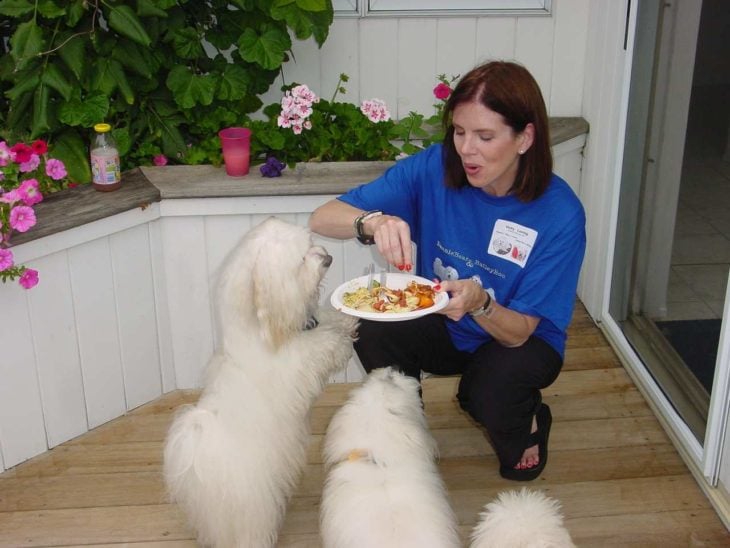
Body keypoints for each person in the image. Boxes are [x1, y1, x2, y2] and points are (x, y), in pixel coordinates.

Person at [309, 60, 586, 481]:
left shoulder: (560, 213)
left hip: (516, 336)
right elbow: (323, 217)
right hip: (443, 317)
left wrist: (481, 304)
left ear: (525, 138)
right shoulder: (434, 168)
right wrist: (371, 223)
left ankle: (526, 416)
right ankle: (408, 429)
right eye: (459, 131)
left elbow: (521, 331)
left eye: (485, 136)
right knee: (371, 321)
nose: (466, 149)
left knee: (485, 399)